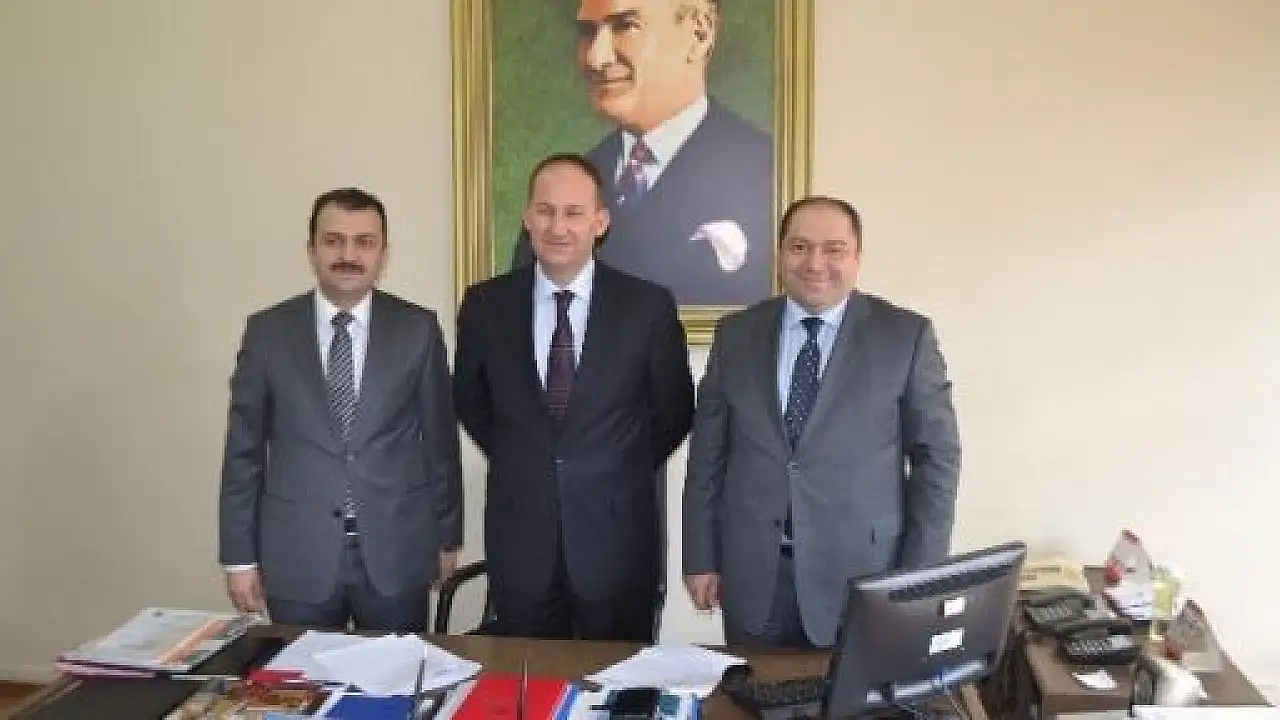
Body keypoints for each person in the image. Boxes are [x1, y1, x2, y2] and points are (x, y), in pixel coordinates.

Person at [682, 196, 962, 648]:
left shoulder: (905, 337)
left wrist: (919, 577)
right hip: (753, 577)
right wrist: (700, 557)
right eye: (800, 247)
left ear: (857, 257)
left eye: (834, 249)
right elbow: (707, 456)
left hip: (863, 578)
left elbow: (938, 460)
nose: (815, 264)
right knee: (751, 690)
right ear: (780, 254)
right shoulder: (736, 334)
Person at [454, 153, 695, 642]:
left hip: (617, 542)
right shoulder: (485, 305)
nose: (558, 227)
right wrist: (530, 457)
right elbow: (471, 402)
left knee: (614, 678)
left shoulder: (647, 307)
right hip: (521, 542)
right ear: (528, 217)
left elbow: (673, 411)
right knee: (527, 676)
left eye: (573, 212)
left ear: (600, 222)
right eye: (545, 211)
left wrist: (612, 462)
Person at [218, 187, 463, 633]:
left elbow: (440, 444)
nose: (348, 255)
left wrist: (447, 538)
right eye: (333, 241)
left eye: (364, 242)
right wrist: (239, 558)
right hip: (297, 554)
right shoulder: (268, 332)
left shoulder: (418, 329)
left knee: (394, 673)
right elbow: (243, 453)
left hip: (397, 552)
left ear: (383, 253)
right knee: (301, 674)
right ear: (311, 249)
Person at [511, 0, 772, 307]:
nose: (596, 58)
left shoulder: (768, 169)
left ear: (699, 34)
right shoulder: (570, 186)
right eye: (587, 31)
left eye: (625, 26)